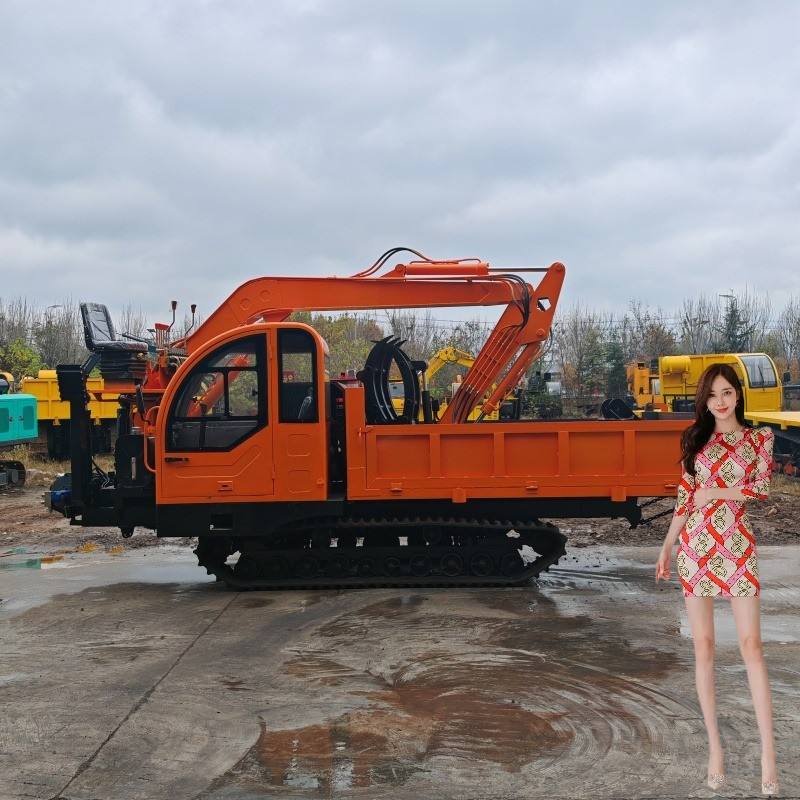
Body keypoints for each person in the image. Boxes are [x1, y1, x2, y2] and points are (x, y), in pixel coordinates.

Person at [655, 363, 778, 796]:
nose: (720, 401)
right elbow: (685, 497)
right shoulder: (695, 439)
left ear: (737, 394)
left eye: (726, 392)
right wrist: (667, 545)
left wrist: (718, 492)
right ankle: (715, 751)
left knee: (752, 646)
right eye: (712, 395)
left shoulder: (759, 439)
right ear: (704, 401)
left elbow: (761, 488)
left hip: (737, 546)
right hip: (696, 548)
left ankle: (768, 755)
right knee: (703, 647)